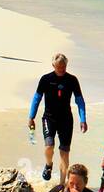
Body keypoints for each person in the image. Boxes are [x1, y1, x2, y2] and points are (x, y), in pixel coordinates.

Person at [28, 53, 87, 181]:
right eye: (59, 66)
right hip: (49, 118)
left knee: (64, 153)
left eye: (64, 66)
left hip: (66, 120)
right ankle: (49, 165)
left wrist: (83, 119)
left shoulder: (72, 80)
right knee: (49, 146)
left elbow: (80, 101)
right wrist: (31, 117)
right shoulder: (46, 79)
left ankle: (61, 184)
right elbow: (37, 98)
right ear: (53, 65)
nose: (61, 69)